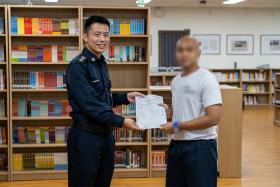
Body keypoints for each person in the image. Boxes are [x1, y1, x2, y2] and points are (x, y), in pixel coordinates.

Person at [66, 15, 144, 187]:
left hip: (105, 136)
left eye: (106, 35)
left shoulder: (101, 62)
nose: (102, 39)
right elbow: (90, 105)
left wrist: (125, 97)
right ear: (85, 37)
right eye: (97, 34)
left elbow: (102, 98)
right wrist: (121, 121)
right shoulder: (78, 66)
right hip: (86, 136)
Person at [160, 36, 222, 187]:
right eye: (180, 50)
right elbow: (183, 112)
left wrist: (177, 125)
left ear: (198, 53)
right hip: (177, 145)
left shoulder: (207, 79)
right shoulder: (175, 81)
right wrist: (168, 112)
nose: (184, 54)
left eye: (189, 50)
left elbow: (213, 118)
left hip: (201, 147)